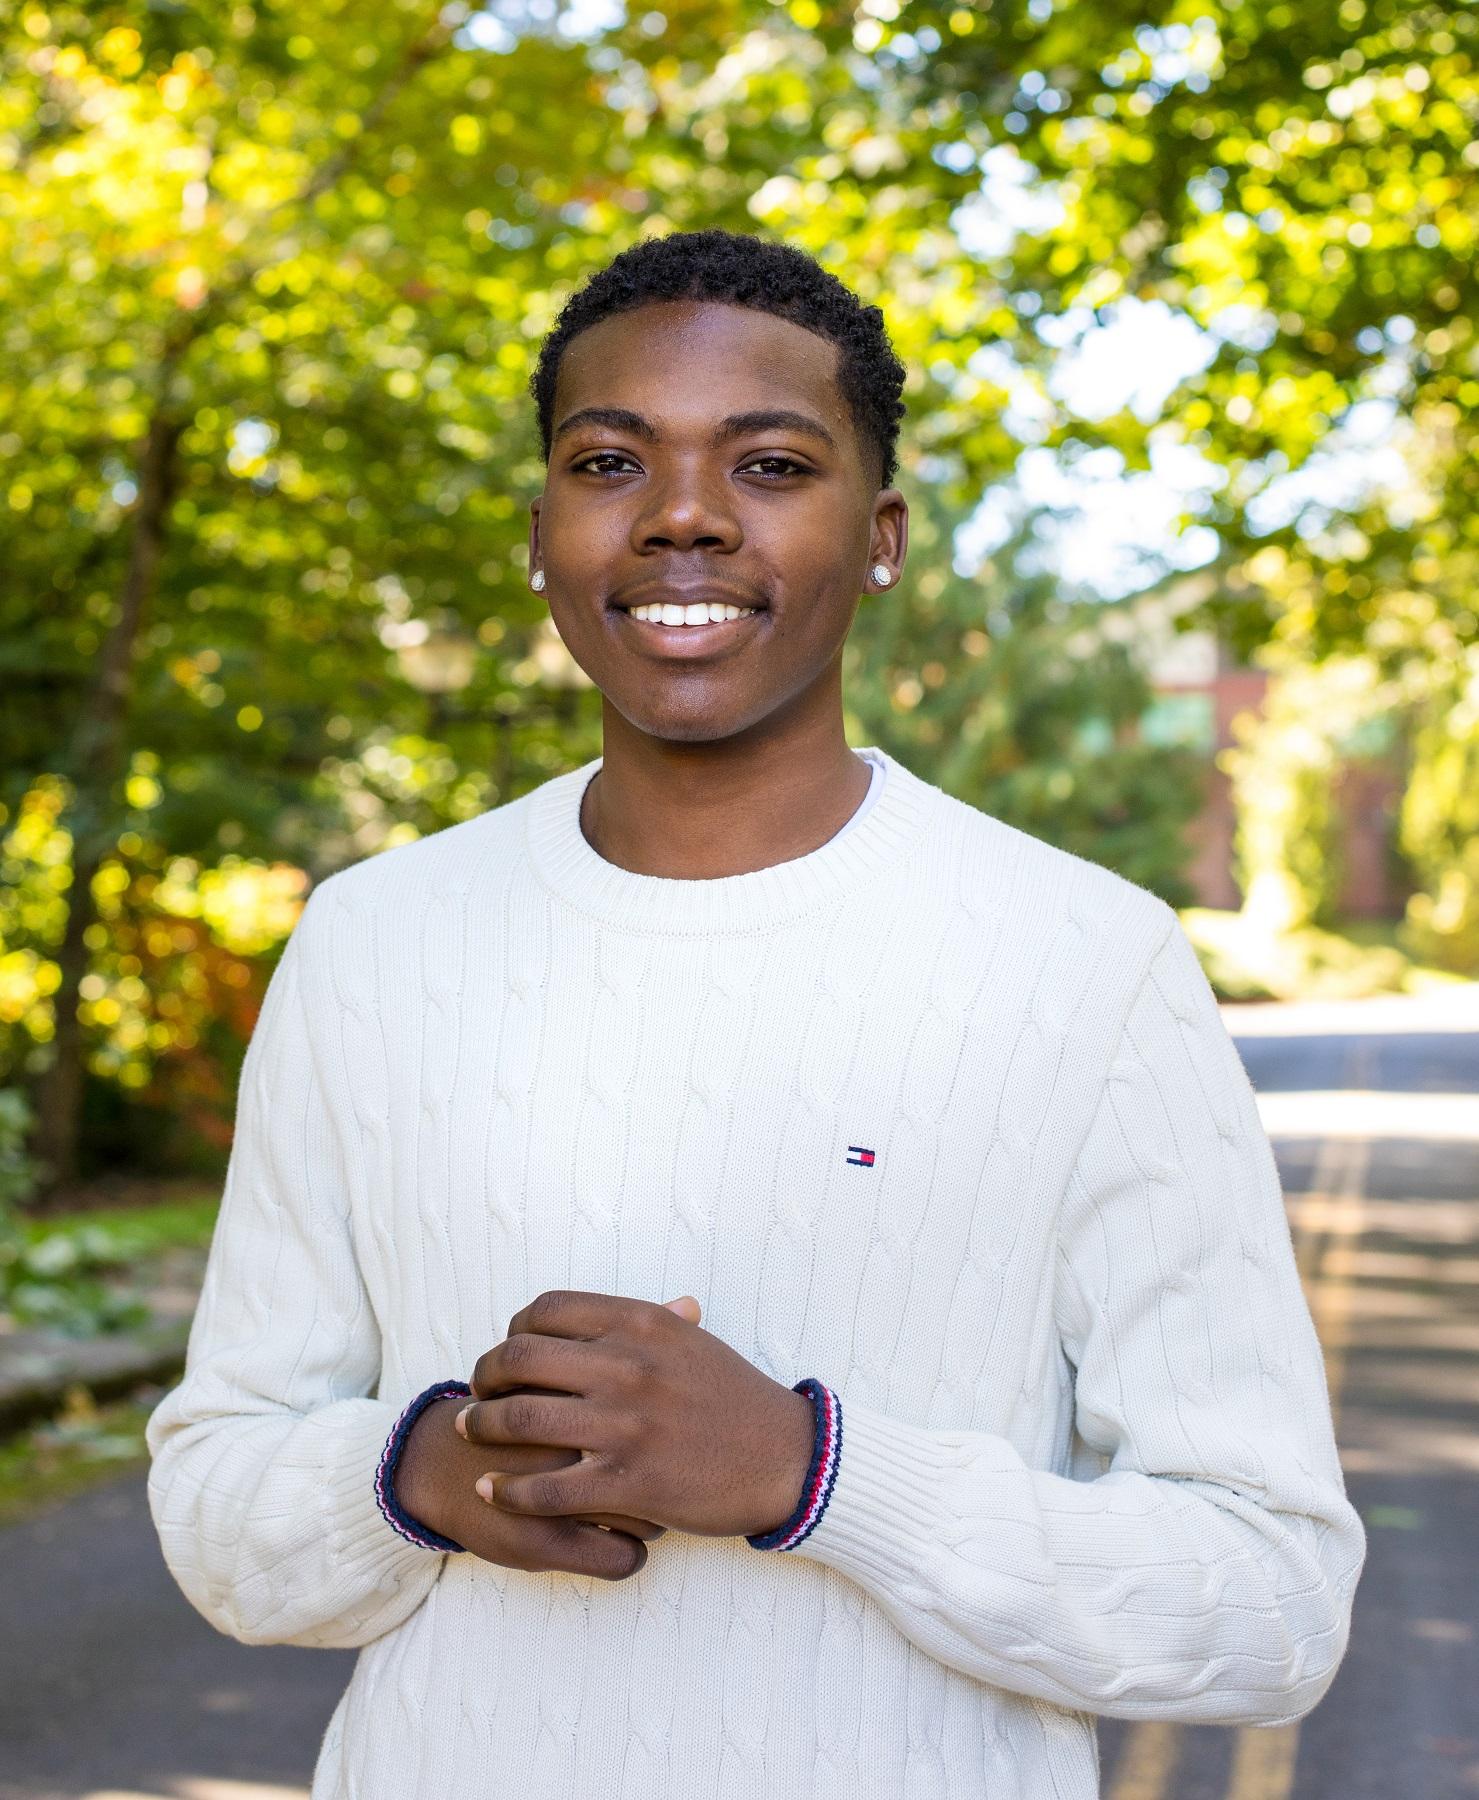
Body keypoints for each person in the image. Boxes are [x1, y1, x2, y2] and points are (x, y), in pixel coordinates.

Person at [146, 227, 1366, 1799]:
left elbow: (1267, 1608)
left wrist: (813, 1473)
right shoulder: (374, 943)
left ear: (883, 537)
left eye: (773, 464)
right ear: (539, 535)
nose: (684, 516)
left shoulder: (1086, 961)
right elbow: (219, 1506)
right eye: (610, 460)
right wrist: (418, 1470)